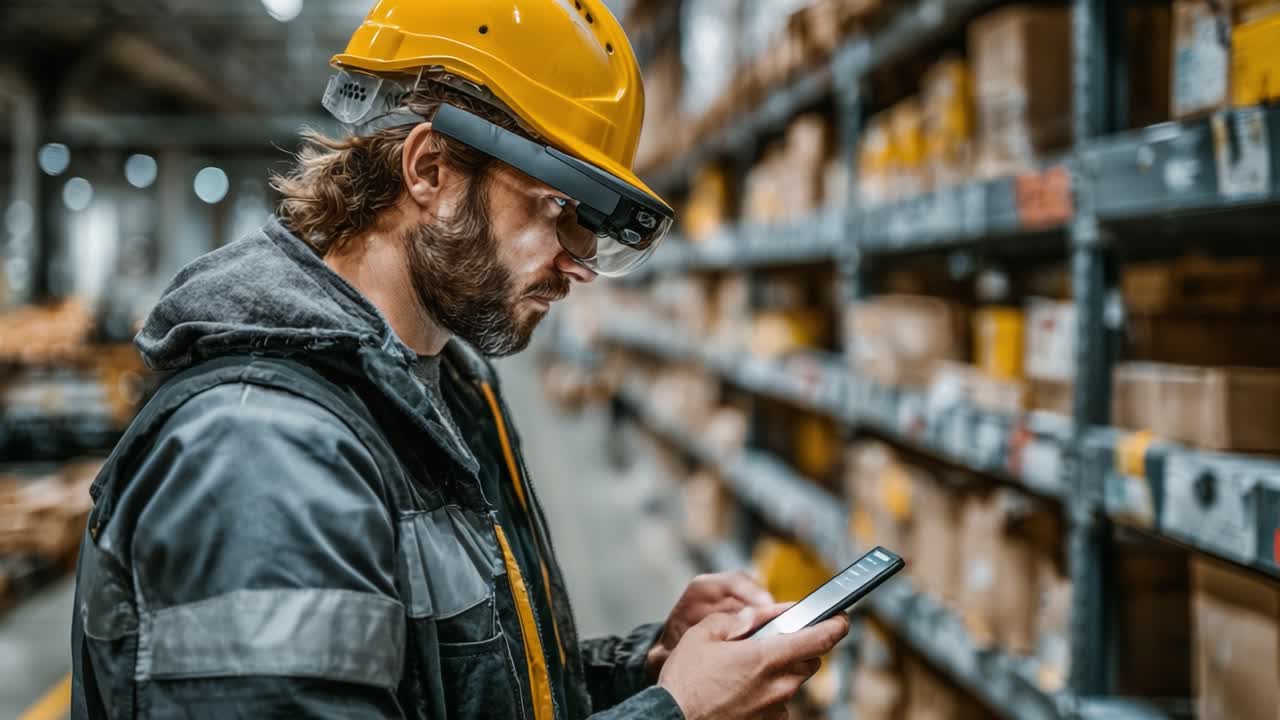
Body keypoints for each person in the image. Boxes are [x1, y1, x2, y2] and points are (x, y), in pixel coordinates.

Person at [69, 2, 849, 718]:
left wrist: (648, 671)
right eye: (562, 215)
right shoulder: (260, 452)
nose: (578, 263)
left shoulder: (440, 390)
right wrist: (676, 714)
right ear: (431, 171)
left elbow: (445, 689)